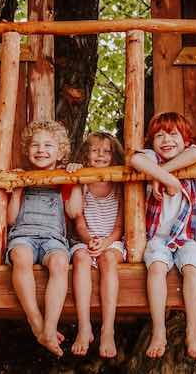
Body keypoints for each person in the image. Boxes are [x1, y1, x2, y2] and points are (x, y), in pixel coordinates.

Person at [127, 111, 196, 360]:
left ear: (186, 139)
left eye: (173, 134)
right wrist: (164, 178)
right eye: (159, 135)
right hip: (158, 238)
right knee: (156, 268)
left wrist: (162, 176)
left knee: (194, 269)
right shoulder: (151, 158)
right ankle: (159, 330)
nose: (166, 140)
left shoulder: (189, 158)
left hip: (186, 237)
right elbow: (134, 160)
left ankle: (193, 331)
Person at [7, 120, 73, 356]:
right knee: (21, 256)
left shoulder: (63, 178)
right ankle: (36, 320)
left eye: (48, 145)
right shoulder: (23, 178)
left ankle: (50, 326)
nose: (41, 150)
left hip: (52, 240)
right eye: (35, 145)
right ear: (27, 150)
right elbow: (11, 219)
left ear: (61, 151)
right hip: (23, 236)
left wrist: (74, 181)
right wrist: (16, 190)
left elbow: (74, 211)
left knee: (60, 263)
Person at [64, 132, 126, 357]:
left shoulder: (119, 184)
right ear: (85, 154)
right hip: (86, 239)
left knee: (108, 259)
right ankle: (84, 326)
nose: (100, 155)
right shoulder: (84, 182)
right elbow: (78, 220)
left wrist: (106, 242)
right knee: (80, 258)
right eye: (95, 150)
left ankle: (107, 329)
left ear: (114, 155)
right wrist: (89, 240)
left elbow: (120, 226)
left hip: (112, 241)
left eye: (106, 151)